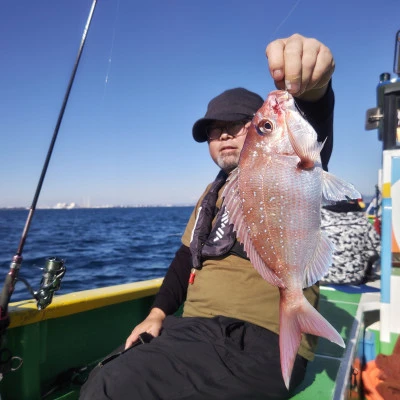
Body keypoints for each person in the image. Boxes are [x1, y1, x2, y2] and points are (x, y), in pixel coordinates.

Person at [80, 33, 336, 400]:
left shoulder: (291, 163)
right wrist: (157, 313)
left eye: (238, 124)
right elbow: (186, 257)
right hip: (192, 330)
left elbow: (312, 127)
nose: (224, 136)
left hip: (264, 336)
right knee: (105, 380)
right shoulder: (211, 194)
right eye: (214, 131)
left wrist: (317, 88)